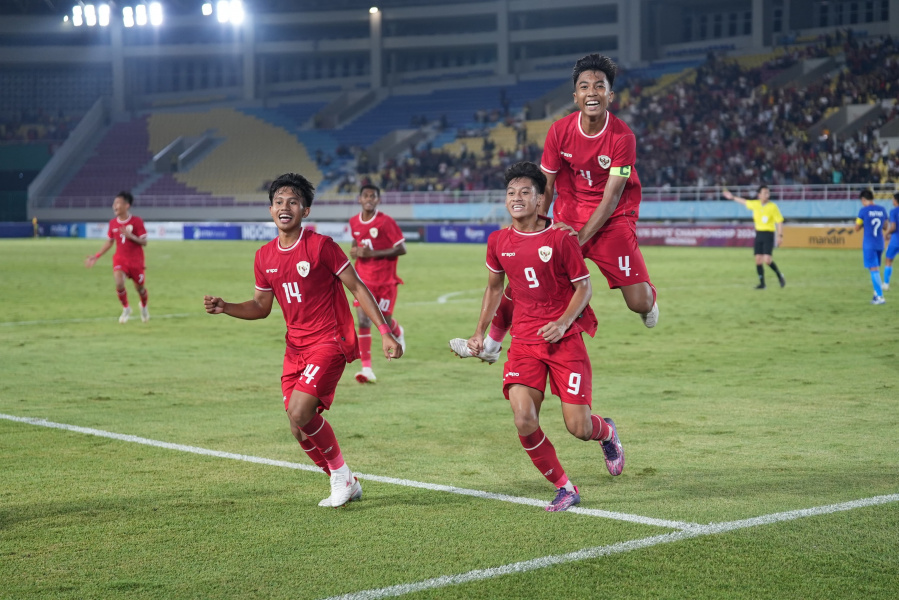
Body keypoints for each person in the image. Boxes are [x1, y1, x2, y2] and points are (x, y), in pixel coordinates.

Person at [203, 173, 403, 507]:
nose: (285, 207)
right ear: (270, 210)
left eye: (293, 201)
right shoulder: (263, 257)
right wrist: (227, 308)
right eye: (279, 201)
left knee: (299, 411)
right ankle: (346, 482)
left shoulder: (322, 246)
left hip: (329, 341)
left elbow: (357, 287)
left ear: (305, 211)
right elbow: (260, 306)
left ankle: (340, 477)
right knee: (298, 427)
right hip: (295, 348)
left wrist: (386, 332)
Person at [449, 53, 657, 365]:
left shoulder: (622, 137)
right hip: (568, 215)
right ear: (575, 96)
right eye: (584, 87)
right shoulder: (559, 131)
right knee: (526, 273)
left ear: (610, 96)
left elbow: (611, 198)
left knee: (638, 303)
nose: (591, 93)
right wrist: (536, 229)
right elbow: (546, 186)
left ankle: (649, 300)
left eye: (599, 87)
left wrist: (578, 238)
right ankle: (491, 344)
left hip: (613, 220)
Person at [461, 161, 624, 512]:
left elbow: (584, 288)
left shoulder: (561, 238)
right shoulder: (498, 241)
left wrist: (564, 323)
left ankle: (607, 433)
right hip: (524, 343)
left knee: (578, 427)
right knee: (523, 418)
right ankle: (565, 486)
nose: (516, 198)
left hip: (564, 341)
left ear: (540, 200)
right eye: (510, 193)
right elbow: (494, 290)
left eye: (525, 192)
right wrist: (480, 334)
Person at [348, 184, 407, 384]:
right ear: (360, 199)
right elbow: (356, 243)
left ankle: (397, 331)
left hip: (385, 280)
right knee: (363, 321)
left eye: (373, 196)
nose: (369, 199)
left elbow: (401, 248)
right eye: (366, 195)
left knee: (384, 321)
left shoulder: (386, 222)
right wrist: (354, 251)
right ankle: (366, 369)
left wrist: (372, 254)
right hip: (363, 280)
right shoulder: (354, 222)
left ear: (378, 200)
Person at [84, 191, 150, 323]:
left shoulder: (137, 221)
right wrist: (96, 256)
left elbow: (144, 242)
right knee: (119, 283)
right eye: (114, 203)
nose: (114, 206)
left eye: (118, 203)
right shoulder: (113, 223)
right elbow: (110, 242)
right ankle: (126, 308)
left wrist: (131, 236)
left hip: (136, 261)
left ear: (127, 205)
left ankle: (143, 306)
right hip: (120, 259)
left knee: (140, 288)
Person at [723, 185, 786, 289]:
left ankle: (780, 275)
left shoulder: (773, 206)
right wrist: (732, 197)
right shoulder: (755, 204)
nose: (767, 195)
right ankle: (762, 284)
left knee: (767, 260)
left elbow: (779, 221)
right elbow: (744, 201)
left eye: (768, 193)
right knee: (757, 260)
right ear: (759, 195)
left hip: (768, 234)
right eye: (765, 193)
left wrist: (780, 235)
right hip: (759, 234)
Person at [855, 189, 888, 304]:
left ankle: (880, 297)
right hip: (880, 243)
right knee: (876, 268)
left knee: (873, 270)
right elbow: (885, 226)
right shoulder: (882, 209)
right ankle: (875, 294)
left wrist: (865, 222)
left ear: (864, 200)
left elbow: (857, 228)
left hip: (869, 244)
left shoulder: (863, 211)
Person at [882, 191, 899, 291]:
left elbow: (893, 227)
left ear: (896, 200)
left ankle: (886, 284)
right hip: (895, 237)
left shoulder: (893, 212)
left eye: (893, 199)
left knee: (888, 260)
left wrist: (886, 233)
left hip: (896, 240)